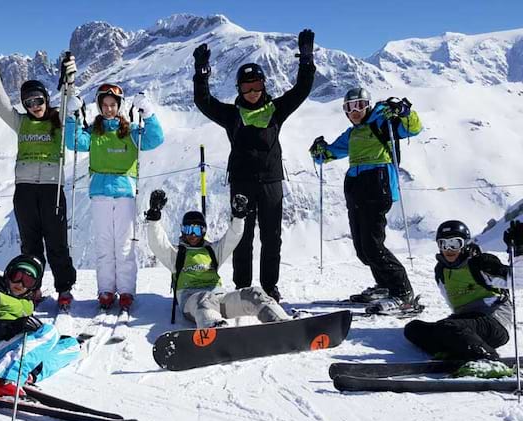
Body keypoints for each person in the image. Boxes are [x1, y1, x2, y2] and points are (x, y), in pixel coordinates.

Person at [193, 29, 316, 302]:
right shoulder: (231, 114)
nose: (252, 92)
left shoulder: (275, 110)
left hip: (272, 183)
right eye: (246, 87)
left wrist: (306, 59)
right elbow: (203, 101)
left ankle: (269, 287)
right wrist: (201, 72)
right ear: (238, 89)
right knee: (242, 238)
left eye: (257, 86)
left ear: (264, 85)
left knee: (271, 238)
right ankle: (243, 287)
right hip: (241, 183)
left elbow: (301, 90)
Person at [0, 53, 77, 310]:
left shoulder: (58, 121)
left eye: (39, 100)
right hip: (24, 190)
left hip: (52, 190)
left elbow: (71, 103)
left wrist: (69, 79)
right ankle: (32, 288)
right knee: (30, 244)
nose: (35, 105)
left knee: (57, 242)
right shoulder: (21, 122)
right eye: (29, 102)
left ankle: (64, 288)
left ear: (46, 99)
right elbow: (1, 106)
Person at [310, 88, 422, 310]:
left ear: (368, 105)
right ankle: (384, 285)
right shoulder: (352, 134)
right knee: (362, 247)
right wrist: (319, 151)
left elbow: (413, 129)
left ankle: (402, 291)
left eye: (360, 105)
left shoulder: (383, 123)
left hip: (377, 185)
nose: (355, 111)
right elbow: (330, 153)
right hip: (355, 187)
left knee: (372, 244)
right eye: (350, 107)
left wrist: (404, 111)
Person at [64, 83, 164, 311]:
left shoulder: (129, 132)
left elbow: (154, 139)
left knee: (124, 245)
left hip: (124, 194)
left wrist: (147, 113)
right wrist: (72, 116)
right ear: (99, 106)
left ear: (119, 106)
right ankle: (106, 290)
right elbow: (73, 142)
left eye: (113, 105)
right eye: (105, 105)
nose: (109, 109)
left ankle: (126, 291)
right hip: (100, 194)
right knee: (104, 245)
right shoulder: (94, 132)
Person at [146, 189, 290, 328]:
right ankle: (212, 328)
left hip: (219, 298)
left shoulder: (212, 251)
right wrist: (154, 216)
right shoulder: (177, 255)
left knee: (254, 293)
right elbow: (157, 243)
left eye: (197, 230)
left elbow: (232, 238)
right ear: (182, 231)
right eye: (188, 230)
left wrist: (239, 217)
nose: (192, 235)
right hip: (193, 301)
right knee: (205, 298)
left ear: (203, 232)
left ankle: (281, 322)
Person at [403, 220, 520, 364]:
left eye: (454, 243)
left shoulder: (480, 263)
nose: (449, 249)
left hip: (494, 322)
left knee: (449, 327)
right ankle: (457, 352)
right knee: (414, 329)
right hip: (466, 323)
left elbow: (517, 280)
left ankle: (487, 359)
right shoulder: (441, 271)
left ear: (465, 243)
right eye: (443, 244)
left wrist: (519, 251)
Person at [0, 254, 81, 397]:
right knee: (48, 332)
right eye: (17, 276)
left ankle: (28, 374)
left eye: (28, 281)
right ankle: (2, 377)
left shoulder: (26, 301)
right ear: (9, 273)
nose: (20, 284)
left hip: (8, 349)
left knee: (71, 345)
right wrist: (14, 327)